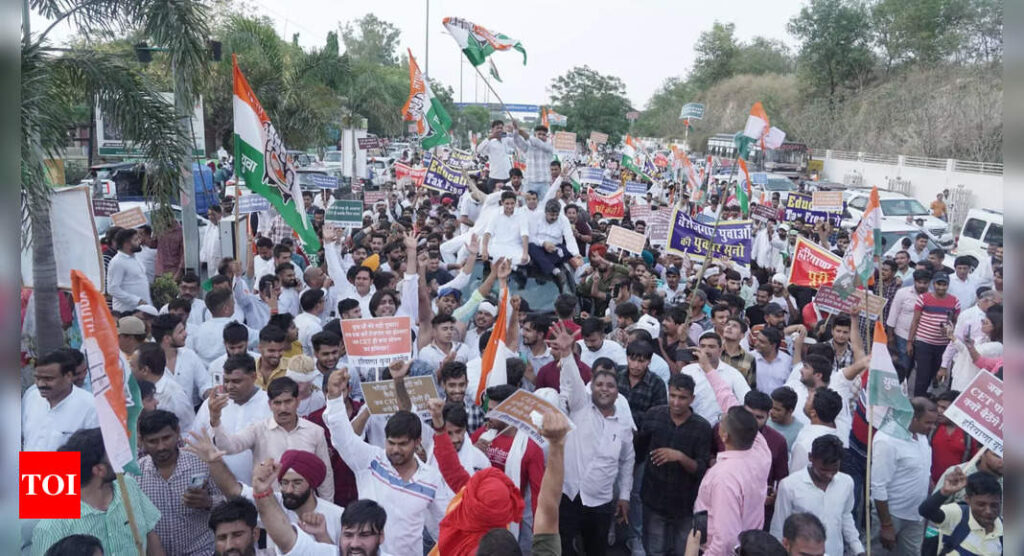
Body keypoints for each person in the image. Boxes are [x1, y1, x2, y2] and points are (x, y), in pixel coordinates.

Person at [322, 368, 453, 556]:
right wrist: (334, 398)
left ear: (417, 442)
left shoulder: (431, 479)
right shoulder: (371, 461)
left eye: (402, 444)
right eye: (391, 443)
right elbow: (343, 439)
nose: (395, 450)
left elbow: (445, 526)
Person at [551, 322, 634, 556]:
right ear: (591, 388)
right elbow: (572, 382)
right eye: (599, 384)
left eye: (610, 385)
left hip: (601, 502)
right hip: (570, 497)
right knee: (564, 550)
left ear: (617, 391)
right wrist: (567, 354)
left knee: (596, 551)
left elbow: (627, 462)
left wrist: (625, 496)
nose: (604, 389)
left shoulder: (624, 425)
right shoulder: (580, 406)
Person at [31, 429, 163, 556]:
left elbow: (151, 536)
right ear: (99, 470)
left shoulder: (129, 486)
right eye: (114, 455)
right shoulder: (52, 527)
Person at [210, 376, 334, 501]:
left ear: (297, 401)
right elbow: (228, 447)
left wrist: (328, 506)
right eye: (277, 403)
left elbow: (326, 475)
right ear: (270, 404)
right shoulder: (258, 430)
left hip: (305, 507)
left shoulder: (315, 432)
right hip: (269, 505)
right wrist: (215, 420)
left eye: (288, 402)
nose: (283, 409)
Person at [637, 372, 711, 555]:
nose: (676, 402)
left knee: (682, 551)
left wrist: (680, 457)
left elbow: (701, 469)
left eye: (683, 398)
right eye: (673, 396)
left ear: (692, 398)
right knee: (654, 550)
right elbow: (639, 451)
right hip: (654, 499)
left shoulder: (702, 428)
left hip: (685, 504)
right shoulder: (654, 415)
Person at [137, 410, 220, 555]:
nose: (161, 446)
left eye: (166, 438)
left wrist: (208, 502)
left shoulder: (203, 463)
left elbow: (229, 503)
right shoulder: (135, 475)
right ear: (142, 441)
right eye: (153, 441)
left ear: (177, 433)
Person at [694, 405, 772, 556]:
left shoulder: (724, 477)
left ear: (724, 436)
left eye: (721, 422)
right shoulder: (761, 453)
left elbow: (726, 540)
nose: (719, 424)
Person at [771, 435, 864, 556]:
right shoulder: (789, 486)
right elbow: (778, 527)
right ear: (811, 458)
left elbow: (845, 517)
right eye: (823, 470)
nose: (829, 475)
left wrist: (858, 549)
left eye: (834, 470)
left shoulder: (846, 482)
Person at [870, 396, 939, 555]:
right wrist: (886, 525)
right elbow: (878, 486)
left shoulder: (921, 436)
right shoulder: (887, 440)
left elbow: (923, 470)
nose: (933, 427)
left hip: (917, 515)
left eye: (934, 422)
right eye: (928, 423)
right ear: (913, 418)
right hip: (891, 516)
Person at [22, 349, 99, 451]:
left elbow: (92, 456)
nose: (41, 384)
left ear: (68, 376)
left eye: (48, 379)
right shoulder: (32, 396)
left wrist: (31, 463)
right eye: (37, 378)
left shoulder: (91, 406)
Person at [919, 469, 1002, 556]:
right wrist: (944, 492)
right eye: (981, 505)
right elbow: (926, 511)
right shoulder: (958, 514)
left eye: (994, 505)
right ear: (967, 499)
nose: (988, 511)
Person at [679, 331, 751, 426]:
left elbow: (746, 401)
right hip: (690, 426)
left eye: (711, 347)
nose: (706, 350)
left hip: (720, 429)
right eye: (703, 346)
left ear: (720, 351)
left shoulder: (733, 374)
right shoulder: (687, 371)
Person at [907, 273, 961, 396]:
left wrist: (949, 329)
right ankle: (918, 403)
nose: (941, 288)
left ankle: (928, 397)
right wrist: (910, 342)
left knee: (935, 373)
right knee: (922, 375)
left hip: (942, 345)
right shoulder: (923, 298)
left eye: (944, 285)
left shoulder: (955, 301)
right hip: (923, 343)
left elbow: (956, 322)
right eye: (938, 284)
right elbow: (915, 320)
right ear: (934, 284)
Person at [130, 342, 195, 431]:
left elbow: (188, 429)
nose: (129, 369)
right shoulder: (134, 388)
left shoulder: (174, 395)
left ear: (145, 370)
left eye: (132, 366)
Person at [150, 314, 211, 407]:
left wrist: (210, 393)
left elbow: (205, 384)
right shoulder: (149, 361)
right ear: (167, 338)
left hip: (188, 418)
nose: (185, 334)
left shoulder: (189, 355)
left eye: (184, 330)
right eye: (180, 332)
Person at [886, 269, 933, 380]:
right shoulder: (903, 293)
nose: (922, 285)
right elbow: (893, 314)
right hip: (902, 335)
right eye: (919, 282)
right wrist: (890, 337)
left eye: (925, 283)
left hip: (922, 338)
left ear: (929, 282)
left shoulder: (932, 296)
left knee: (914, 367)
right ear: (914, 281)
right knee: (903, 365)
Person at [788, 387, 844, 474]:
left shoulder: (806, 444)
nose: (806, 399)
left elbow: (795, 478)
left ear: (813, 413)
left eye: (808, 399)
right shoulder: (839, 435)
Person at [529, 199, 580, 280]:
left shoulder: (563, 220)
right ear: (545, 212)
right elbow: (531, 236)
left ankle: (542, 266)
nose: (554, 217)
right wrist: (544, 243)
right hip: (539, 247)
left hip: (555, 248)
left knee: (566, 252)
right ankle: (554, 270)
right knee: (530, 247)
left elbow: (569, 238)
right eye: (552, 215)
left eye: (556, 215)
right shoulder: (536, 217)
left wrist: (577, 254)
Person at [106, 228, 152, 312]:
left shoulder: (136, 257)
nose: (139, 242)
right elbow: (112, 289)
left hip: (143, 308)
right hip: (127, 311)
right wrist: (137, 300)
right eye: (135, 240)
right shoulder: (117, 262)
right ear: (126, 244)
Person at [477, 120, 514, 192]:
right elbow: (478, 150)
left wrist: (513, 131)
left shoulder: (507, 139)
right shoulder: (490, 142)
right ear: (492, 129)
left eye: (501, 128)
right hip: (494, 176)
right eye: (497, 128)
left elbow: (517, 143)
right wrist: (490, 138)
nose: (500, 130)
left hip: (507, 176)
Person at [768, 386, 804, 452]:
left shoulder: (800, 431)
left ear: (790, 411)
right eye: (771, 407)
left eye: (777, 409)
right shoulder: (764, 423)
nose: (771, 412)